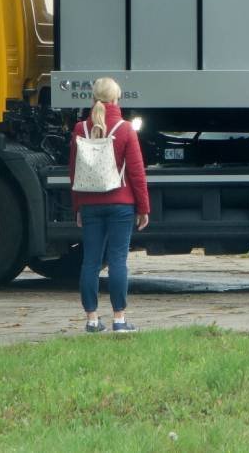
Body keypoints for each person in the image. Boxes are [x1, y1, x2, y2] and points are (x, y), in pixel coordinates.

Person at [68, 77, 150, 333]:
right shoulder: (125, 130)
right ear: (116, 100)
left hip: (90, 205)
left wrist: (78, 207)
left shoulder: (80, 129)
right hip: (121, 204)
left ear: (93, 99)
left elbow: (74, 172)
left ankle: (92, 320)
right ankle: (119, 319)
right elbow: (136, 173)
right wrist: (143, 208)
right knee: (117, 261)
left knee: (90, 262)